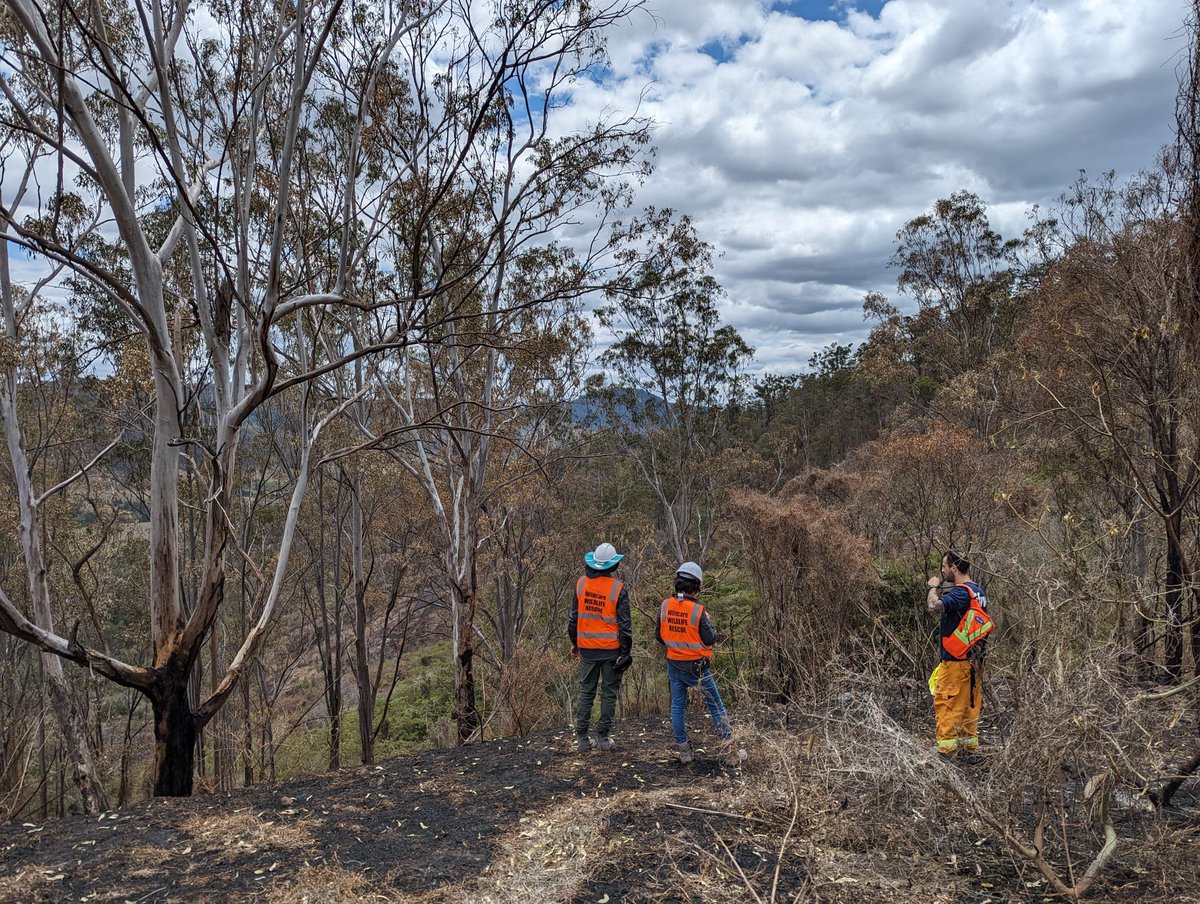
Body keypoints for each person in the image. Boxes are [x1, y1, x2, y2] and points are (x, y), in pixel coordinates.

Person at [657, 561, 743, 766]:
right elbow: (710, 639)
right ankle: (730, 752)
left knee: (677, 706)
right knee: (716, 706)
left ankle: (684, 751)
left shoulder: (665, 605)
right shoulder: (698, 612)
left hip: (673, 664)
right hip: (698, 667)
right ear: (696, 586)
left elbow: (659, 636)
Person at [569, 542, 633, 753]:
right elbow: (625, 626)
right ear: (612, 566)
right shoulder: (618, 589)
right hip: (611, 651)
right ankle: (604, 739)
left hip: (587, 649)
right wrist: (625, 653)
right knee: (608, 693)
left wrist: (575, 644)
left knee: (586, 692)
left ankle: (582, 740)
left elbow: (573, 620)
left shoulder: (580, 585)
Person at [926, 551, 991, 758]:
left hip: (955, 663)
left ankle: (946, 753)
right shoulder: (978, 593)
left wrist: (932, 587)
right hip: (974, 662)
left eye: (944, 566)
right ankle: (969, 750)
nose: (943, 570)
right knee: (968, 707)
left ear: (954, 568)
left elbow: (934, 607)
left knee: (946, 704)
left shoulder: (961, 593)